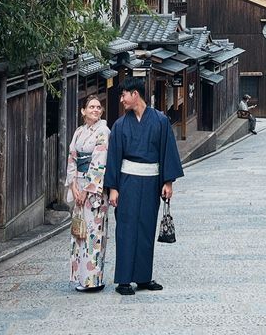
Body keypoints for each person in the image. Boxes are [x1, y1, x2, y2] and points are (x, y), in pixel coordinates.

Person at [104, 77, 184, 296]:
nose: (122, 100)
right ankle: (123, 279)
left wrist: (167, 182)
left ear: (135, 94)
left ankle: (143, 277)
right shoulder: (120, 125)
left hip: (151, 181)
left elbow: (167, 151)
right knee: (126, 228)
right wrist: (113, 188)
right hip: (127, 181)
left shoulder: (160, 121)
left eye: (124, 95)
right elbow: (114, 157)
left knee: (146, 227)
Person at [65, 95, 110, 292]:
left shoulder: (103, 131)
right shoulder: (79, 131)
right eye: (91, 107)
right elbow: (72, 158)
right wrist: (73, 185)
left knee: (94, 232)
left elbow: (100, 161)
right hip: (79, 184)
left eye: (98, 107)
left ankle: (93, 280)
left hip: (94, 190)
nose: (95, 110)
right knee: (79, 231)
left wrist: (86, 189)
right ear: (83, 111)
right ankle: (80, 278)